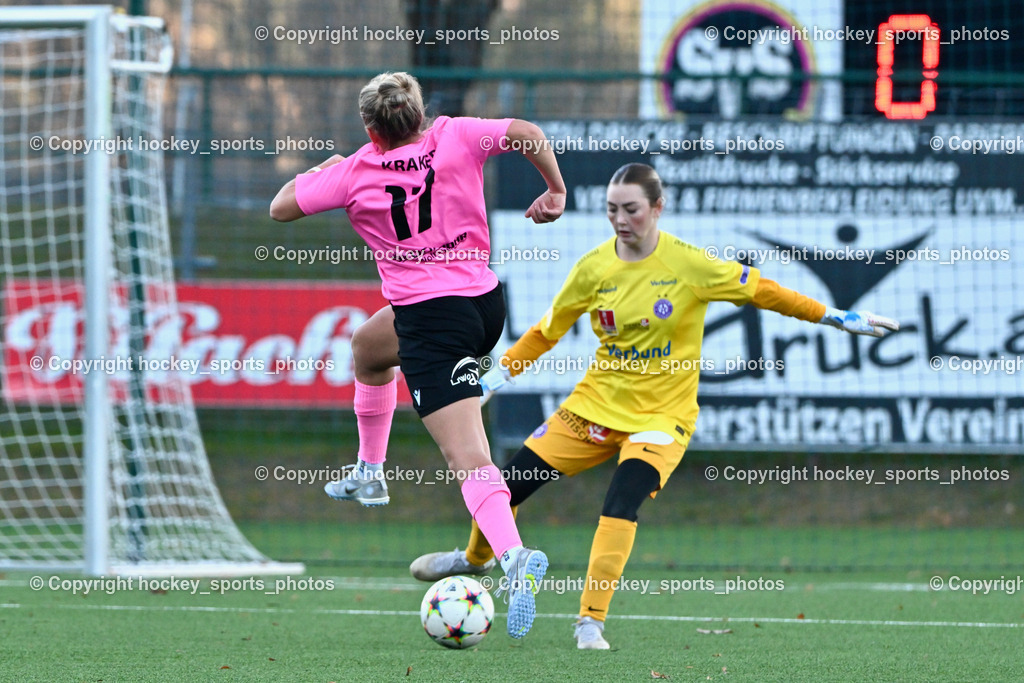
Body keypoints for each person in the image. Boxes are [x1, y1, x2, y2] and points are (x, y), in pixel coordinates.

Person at [406, 162, 899, 649]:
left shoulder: (690, 265)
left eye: (632, 209)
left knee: (621, 502)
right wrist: (496, 376)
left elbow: (765, 292)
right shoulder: (594, 267)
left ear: (657, 208)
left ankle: (589, 623)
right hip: (592, 409)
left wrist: (835, 317)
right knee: (505, 486)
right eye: (612, 210)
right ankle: (475, 560)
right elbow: (545, 332)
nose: (622, 220)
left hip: (662, 420)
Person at [269, 71, 567, 639]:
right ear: (421, 113)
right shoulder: (455, 136)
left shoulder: (355, 171)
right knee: (368, 348)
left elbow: (281, 208)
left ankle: (515, 559)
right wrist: (554, 190)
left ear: (369, 127)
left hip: (434, 324)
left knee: (468, 459)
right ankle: (371, 472)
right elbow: (526, 132)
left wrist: (319, 170)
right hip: (482, 305)